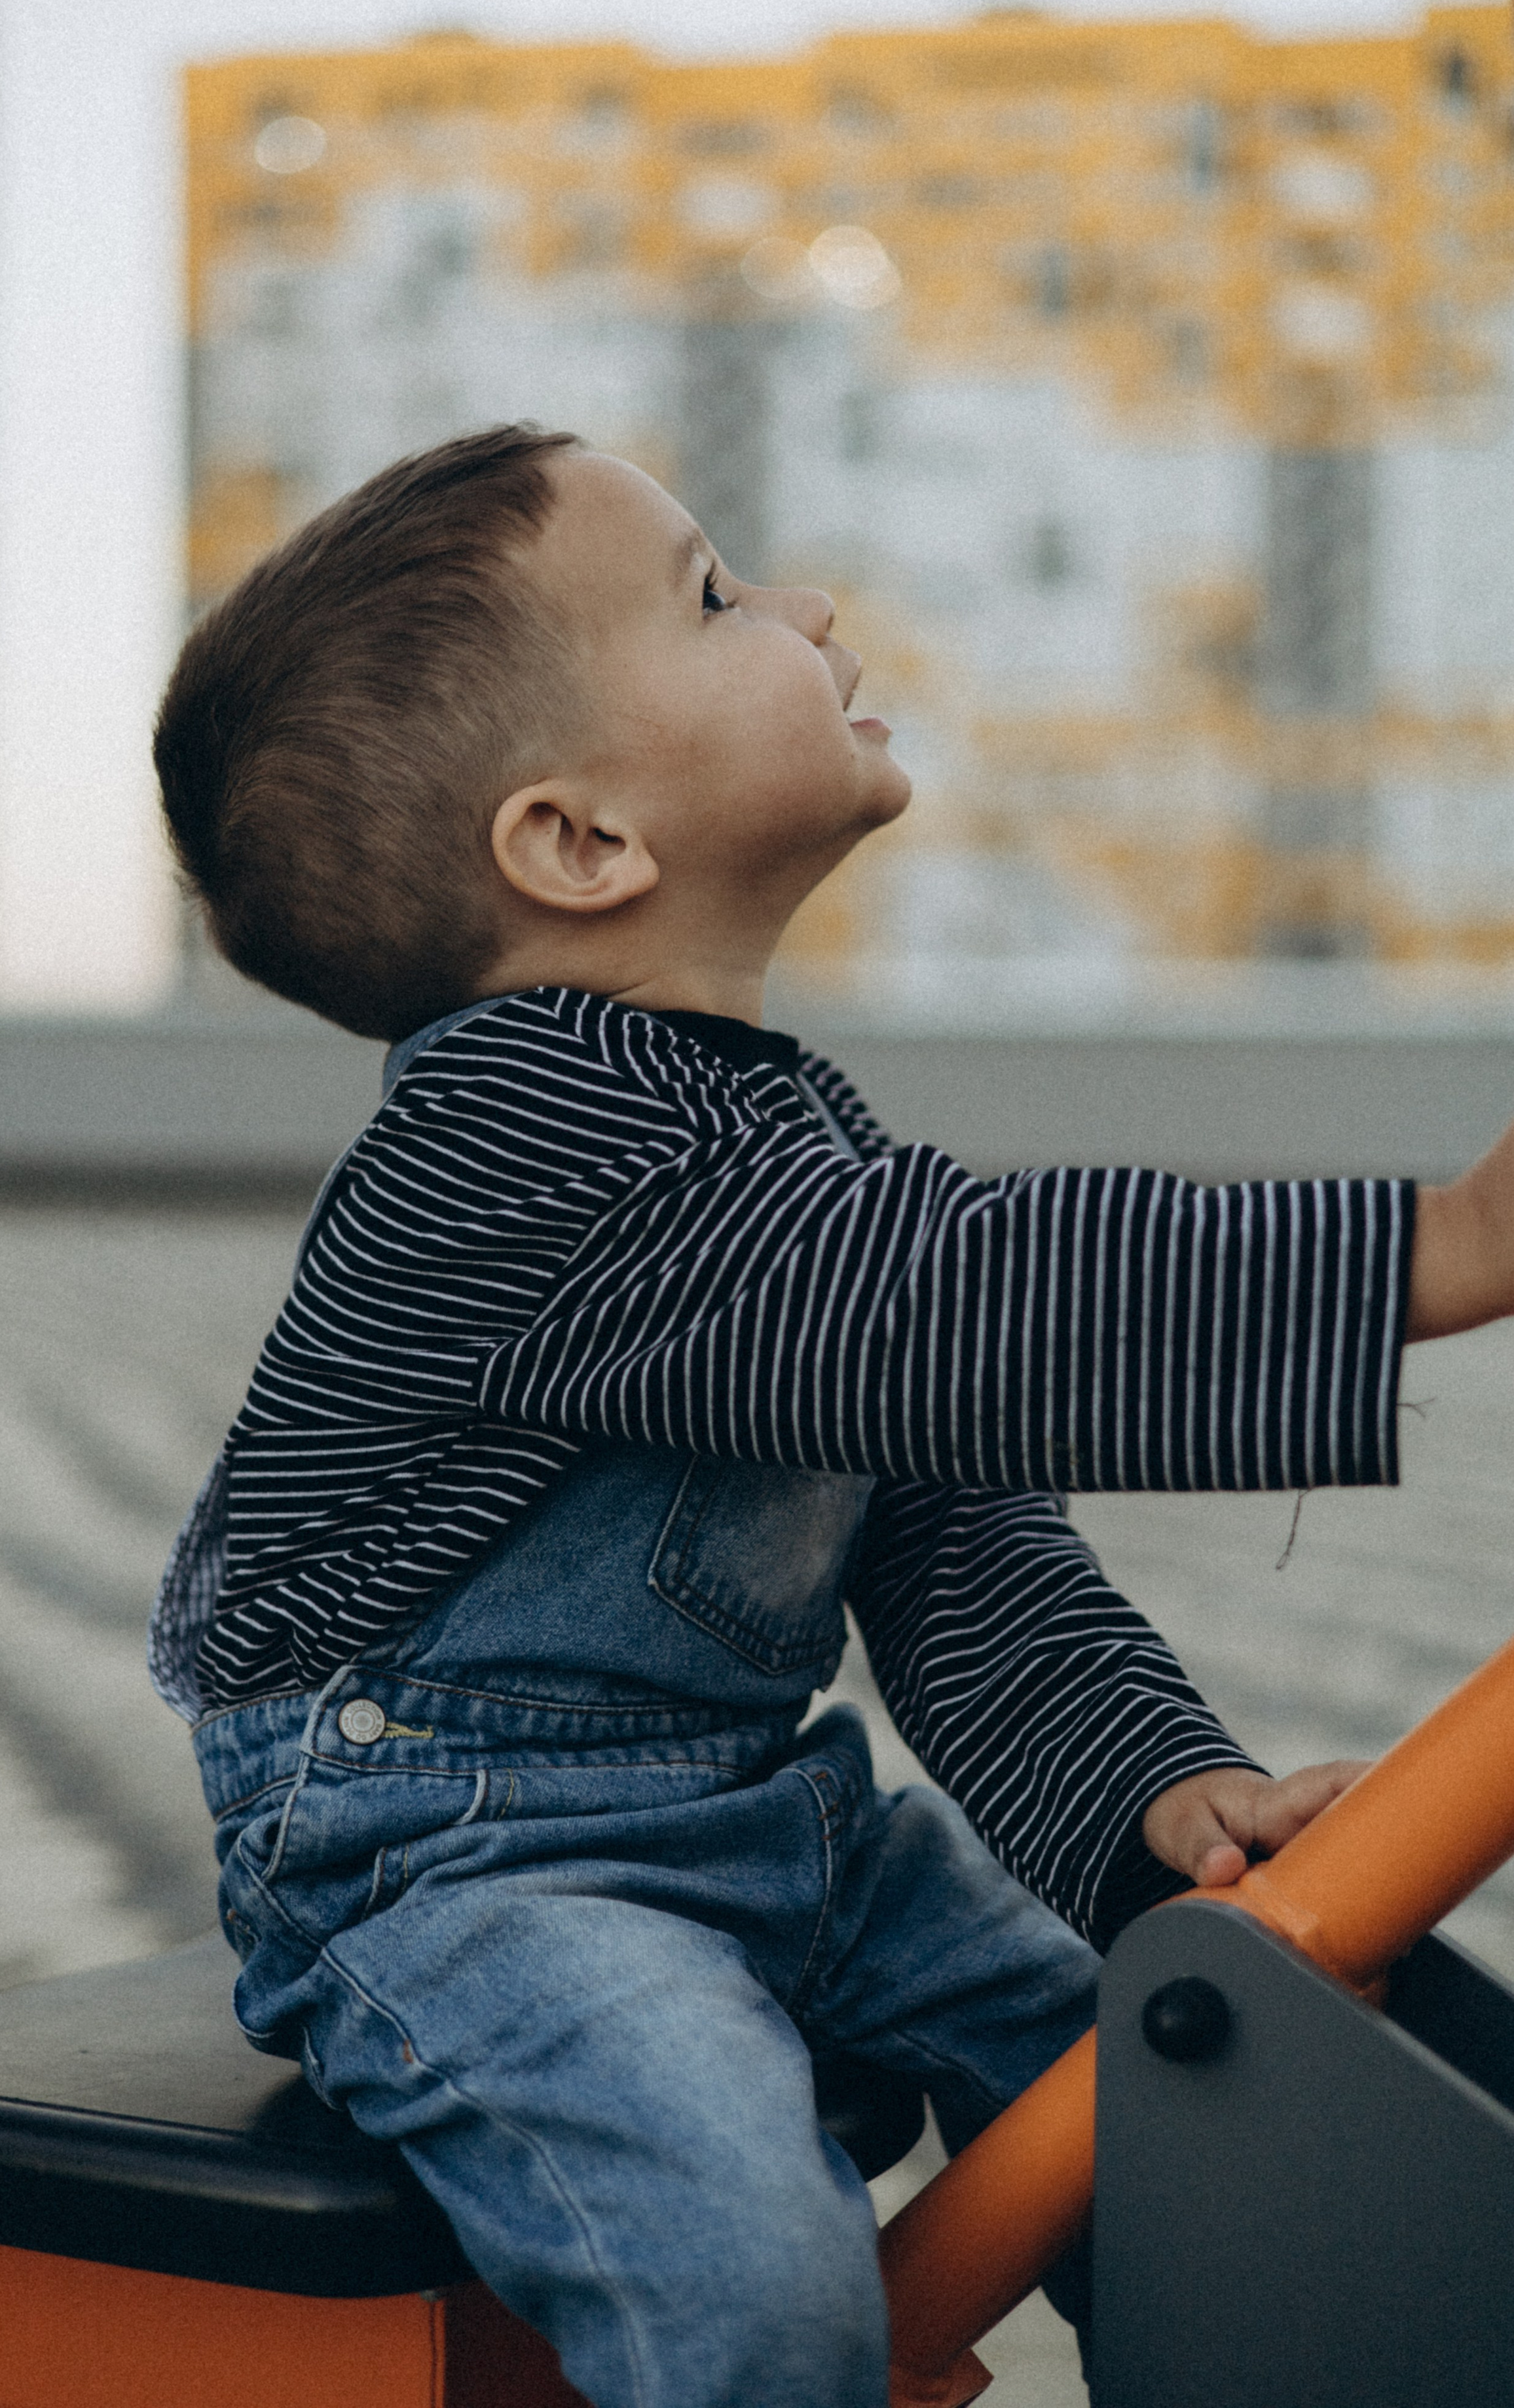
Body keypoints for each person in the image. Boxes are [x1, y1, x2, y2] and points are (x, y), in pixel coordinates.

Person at [149, 424, 1514, 2408]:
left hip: (761, 1818)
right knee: (755, 2285)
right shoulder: (510, 1151)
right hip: (454, 1874)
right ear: (581, 843)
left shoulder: (779, 1141)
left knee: (1167, 2104)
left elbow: (961, 1544)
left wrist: (1157, 1799)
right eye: (717, 597)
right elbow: (976, 1301)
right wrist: (1453, 1245)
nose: (812, 608)